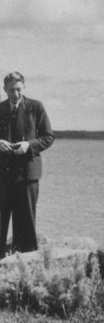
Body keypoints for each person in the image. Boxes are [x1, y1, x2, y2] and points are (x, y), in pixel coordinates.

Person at [0, 71, 54, 258]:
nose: (15, 94)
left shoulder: (36, 107)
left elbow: (48, 137)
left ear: (24, 87)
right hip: (3, 176)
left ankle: (27, 264)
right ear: (4, 89)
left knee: (26, 224)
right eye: (11, 90)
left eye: (18, 89)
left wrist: (29, 146)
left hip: (28, 175)